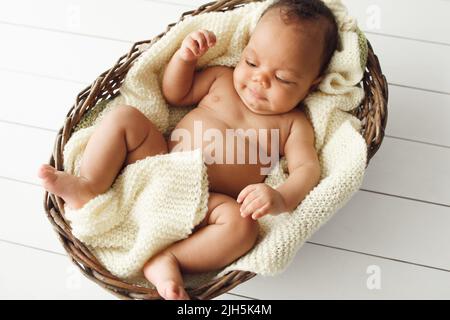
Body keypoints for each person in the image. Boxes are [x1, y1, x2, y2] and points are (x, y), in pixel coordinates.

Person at [38, 0, 338, 300]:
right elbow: (175, 93)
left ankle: (171, 259)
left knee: (242, 227)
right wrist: (185, 58)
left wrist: (281, 197)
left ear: (313, 84)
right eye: (251, 62)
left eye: (283, 78)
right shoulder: (221, 78)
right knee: (125, 117)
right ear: (244, 49)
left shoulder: (294, 124)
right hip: (157, 162)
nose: (259, 80)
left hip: (206, 203)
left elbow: (307, 169)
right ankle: (90, 187)